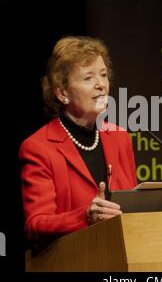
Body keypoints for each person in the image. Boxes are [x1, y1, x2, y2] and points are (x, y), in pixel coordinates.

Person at [19, 36, 137, 244]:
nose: (101, 85)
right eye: (88, 78)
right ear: (62, 92)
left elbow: (132, 209)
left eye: (103, 75)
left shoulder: (119, 138)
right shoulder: (38, 148)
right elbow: (36, 225)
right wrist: (85, 217)